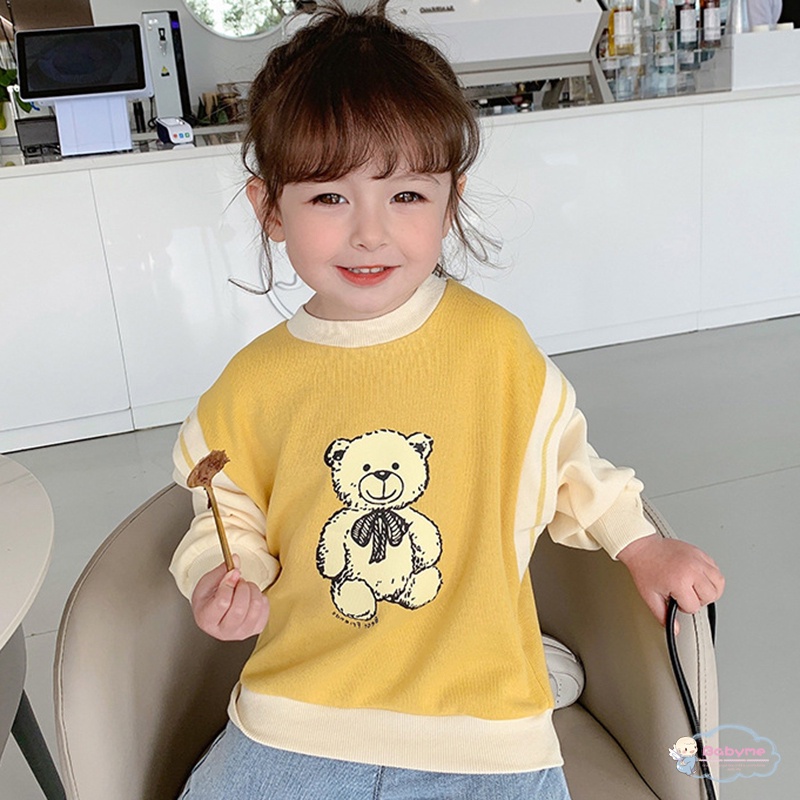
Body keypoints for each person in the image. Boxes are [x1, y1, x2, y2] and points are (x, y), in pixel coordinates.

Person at [169, 2, 725, 798]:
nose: (370, 233)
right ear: (270, 209)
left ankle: (544, 664)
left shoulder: (493, 346)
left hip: (486, 728)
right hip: (296, 713)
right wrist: (224, 577)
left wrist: (641, 545)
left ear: (450, 200)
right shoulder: (252, 382)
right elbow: (225, 511)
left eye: (406, 196)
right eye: (329, 198)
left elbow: (567, 465)